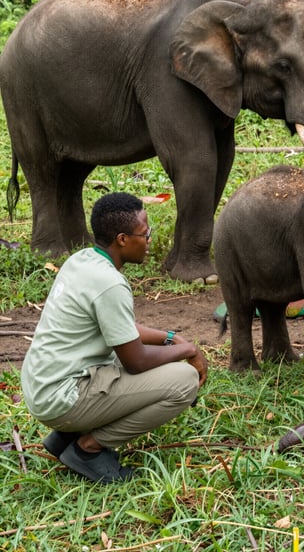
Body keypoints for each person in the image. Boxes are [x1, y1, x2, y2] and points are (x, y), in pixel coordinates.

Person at [21, 193, 208, 484]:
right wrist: (189, 351)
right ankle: (88, 448)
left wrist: (171, 339)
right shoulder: (110, 284)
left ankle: (66, 435)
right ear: (122, 239)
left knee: (143, 360)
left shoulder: (82, 261)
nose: (149, 240)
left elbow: (122, 328)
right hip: (63, 396)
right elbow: (136, 361)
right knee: (182, 382)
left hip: (42, 385)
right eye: (145, 234)